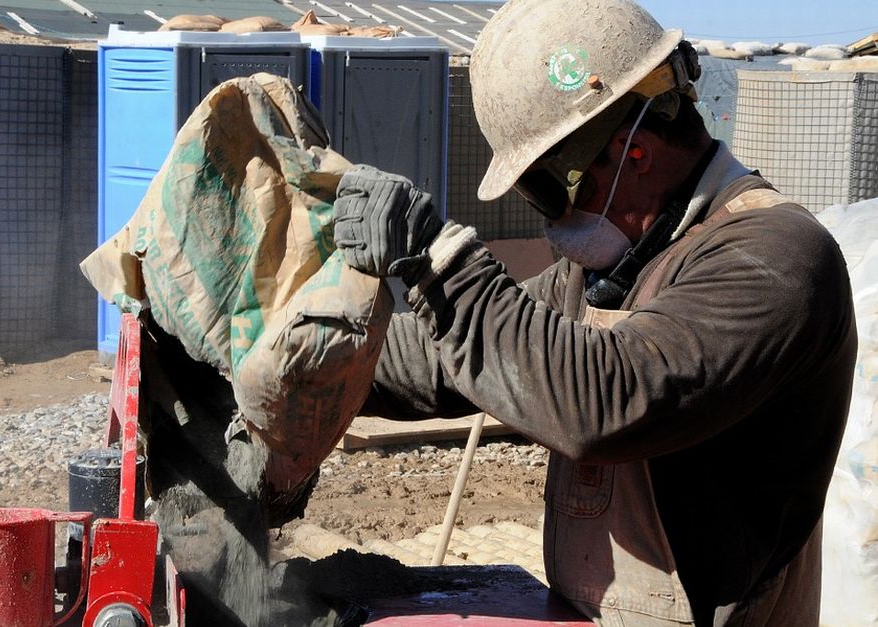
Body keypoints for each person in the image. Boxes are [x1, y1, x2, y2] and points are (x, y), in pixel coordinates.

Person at [330, 0, 857, 625]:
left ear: (634, 151)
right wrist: (283, 352)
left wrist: (439, 259)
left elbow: (607, 397)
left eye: (547, 190)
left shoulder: (777, 259)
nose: (550, 218)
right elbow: (444, 358)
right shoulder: (617, 269)